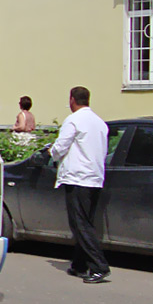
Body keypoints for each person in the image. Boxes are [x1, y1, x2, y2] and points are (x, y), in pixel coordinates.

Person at [48, 86, 109, 284]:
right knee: (85, 222)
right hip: (95, 178)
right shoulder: (100, 123)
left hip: (77, 178)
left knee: (79, 224)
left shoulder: (73, 120)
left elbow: (61, 145)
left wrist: (50, 154)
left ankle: (99, 266)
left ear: (72, 99)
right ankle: (80, 264)